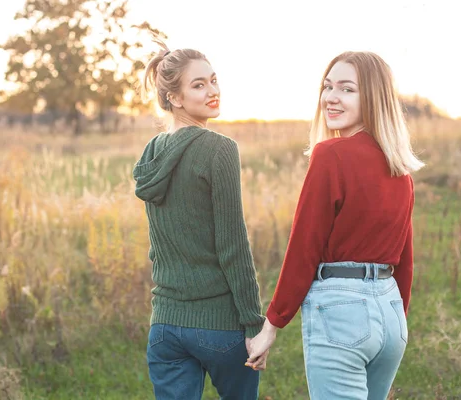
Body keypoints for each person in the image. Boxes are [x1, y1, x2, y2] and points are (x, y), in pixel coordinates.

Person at [246, 51, 425, 399]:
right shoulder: (400, 169)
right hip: (391, 319)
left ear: (372, 97)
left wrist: (272, 324)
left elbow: (304, 247)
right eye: (328, 87)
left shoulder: (330, 155)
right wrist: (394, 320)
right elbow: (405, 261)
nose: (330, 97)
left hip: (343, 315)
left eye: (346, 89)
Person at [132, 41, 266, 400]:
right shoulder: (219, 149)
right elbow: (232, 245)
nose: (213, 91)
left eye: (213, 80)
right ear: (174, 98)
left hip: (164, 327)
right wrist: (254, 324)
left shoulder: (151, 151)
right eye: (198, 85)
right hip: (219, 325)